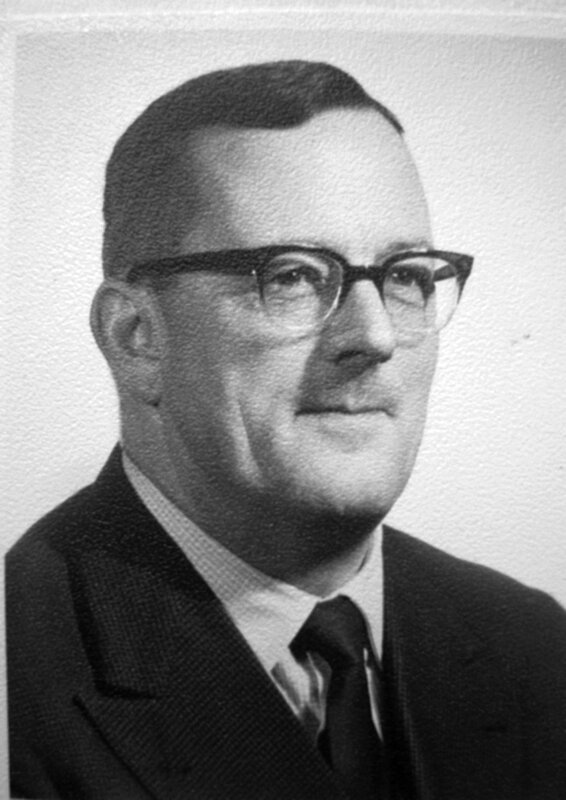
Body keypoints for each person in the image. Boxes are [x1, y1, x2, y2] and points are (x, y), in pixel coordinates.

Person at [6, 60, 566, 800]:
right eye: (292, 275)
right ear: (137, 337)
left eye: (404, 275)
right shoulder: (21, 674)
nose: (374, 337)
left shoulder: (533, 646)